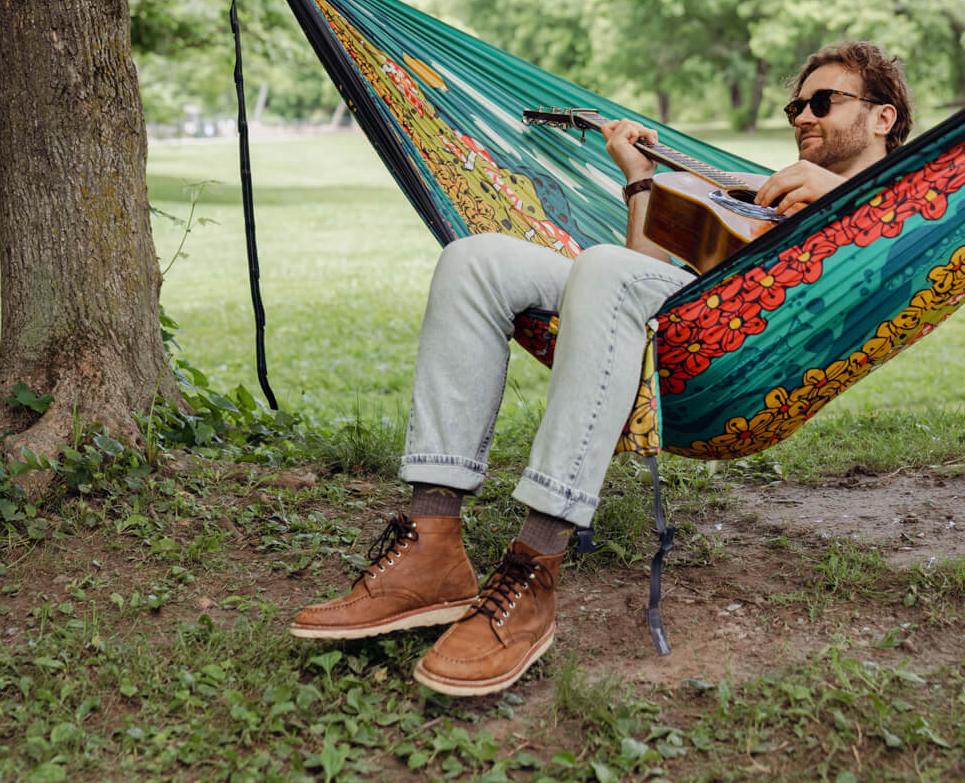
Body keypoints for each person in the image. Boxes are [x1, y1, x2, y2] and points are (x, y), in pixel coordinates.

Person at [289, 41, 913, 697]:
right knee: (477, 260)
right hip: (690, 325)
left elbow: (901, 260)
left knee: (603, 269)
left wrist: (843, 198)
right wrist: (639, 174)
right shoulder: (772, 192)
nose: (802, 116)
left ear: (882, 118)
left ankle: (535, 565)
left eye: (823, 101)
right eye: (796, 104)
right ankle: (430, 541)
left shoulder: (908, 204)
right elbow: (641, 263)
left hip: (759, 353)